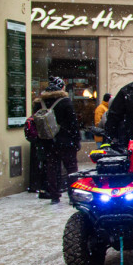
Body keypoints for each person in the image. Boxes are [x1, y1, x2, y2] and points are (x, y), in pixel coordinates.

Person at [33, 75, 81, 204]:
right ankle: (73, 195)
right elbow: (73, 123)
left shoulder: (39, 103)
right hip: (66, 142)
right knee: (71, 169)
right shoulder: (65, 102)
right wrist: (76, 140)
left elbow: (36, 123)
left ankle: (54, 195)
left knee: (52, 169)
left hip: (48, 141)